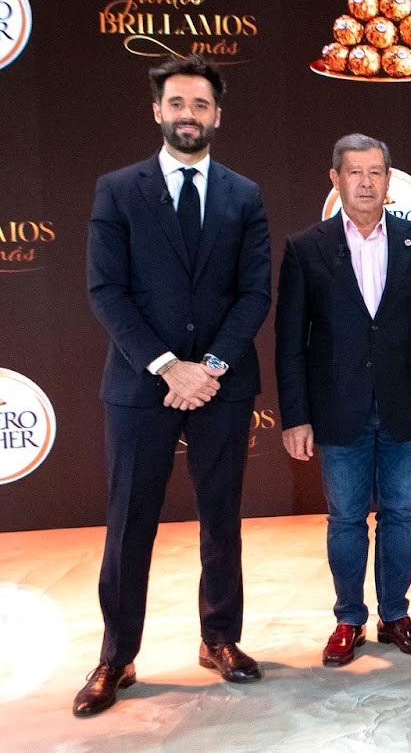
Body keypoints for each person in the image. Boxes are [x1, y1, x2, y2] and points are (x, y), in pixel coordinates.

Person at [76, 55, 272, 717]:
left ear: (218, 115)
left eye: (201, 104)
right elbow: (106, 290)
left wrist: (209, 366)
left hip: (221, 385)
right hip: (141, 386)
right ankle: (116, 655)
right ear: (157, 110)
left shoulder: (244, 194)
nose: (189, 115)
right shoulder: (117, 189)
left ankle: (220, 639)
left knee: (222, 517)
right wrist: (168, 365)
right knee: (129, 522)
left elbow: (254, 292)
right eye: (178, 103)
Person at [275, 134, 411, 667]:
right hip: (338, 408)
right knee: (346, 519)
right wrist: (295, 416)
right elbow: (290, 342)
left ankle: (395, 615)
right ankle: (349, 619)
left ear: (388, 180)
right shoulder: (305, 247)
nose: (365, 182)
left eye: (375, 172)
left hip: (406, 404)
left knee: (400, 514)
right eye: (354, 172)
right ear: (335, 179)